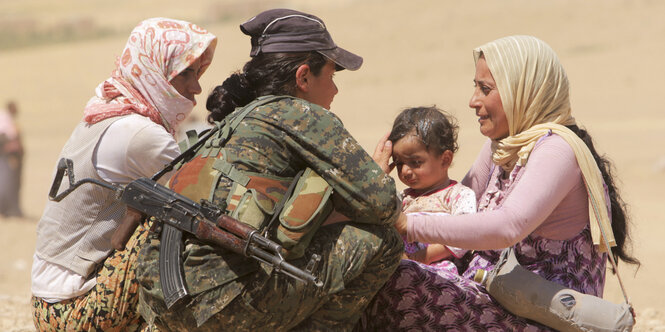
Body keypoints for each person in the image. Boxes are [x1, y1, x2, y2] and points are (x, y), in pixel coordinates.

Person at [136, 9, 403, 331]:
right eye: (331, 75)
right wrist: (374, 174)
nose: (334, 90)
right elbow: (384, 207)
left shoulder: (236, 119)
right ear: (303, 77)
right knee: (383, 240)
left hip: (161, 304)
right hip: (221, 304)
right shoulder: (300, 115)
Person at [363, 35, 639, 331]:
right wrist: (378, 184)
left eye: (485, 89)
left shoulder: (557, 150)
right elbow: (455, 207)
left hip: (537, 314)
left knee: (397, 281)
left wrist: (406, 224)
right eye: (475, 86)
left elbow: (506, 227)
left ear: (522, 91)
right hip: (493, 294)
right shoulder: (504, 146)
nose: (473, 101)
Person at [31, 18, 216, 331]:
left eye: (198, 73)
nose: (197, 87)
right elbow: (212, 195)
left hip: (48, 306)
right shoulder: (140, 134)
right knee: (183, 219)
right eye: (185, 72)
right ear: (155, 69)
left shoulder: (109, 108)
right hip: (75, 309)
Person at [388, 106, 475, 270]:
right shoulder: (402, 199)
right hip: (403, 267)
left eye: (415, 162)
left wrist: (420, 257)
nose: (405, 171)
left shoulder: (458, 195)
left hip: (439, 272)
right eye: (399, 163)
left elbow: (464, 237)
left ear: (445, 160)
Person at [0, 101, 24, 217]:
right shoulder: (5, 120)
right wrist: (12, 156)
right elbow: (8, 138)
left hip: (8, 155)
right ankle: (6, 209)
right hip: (8, 156)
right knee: (7, 182)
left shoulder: (6, 119)